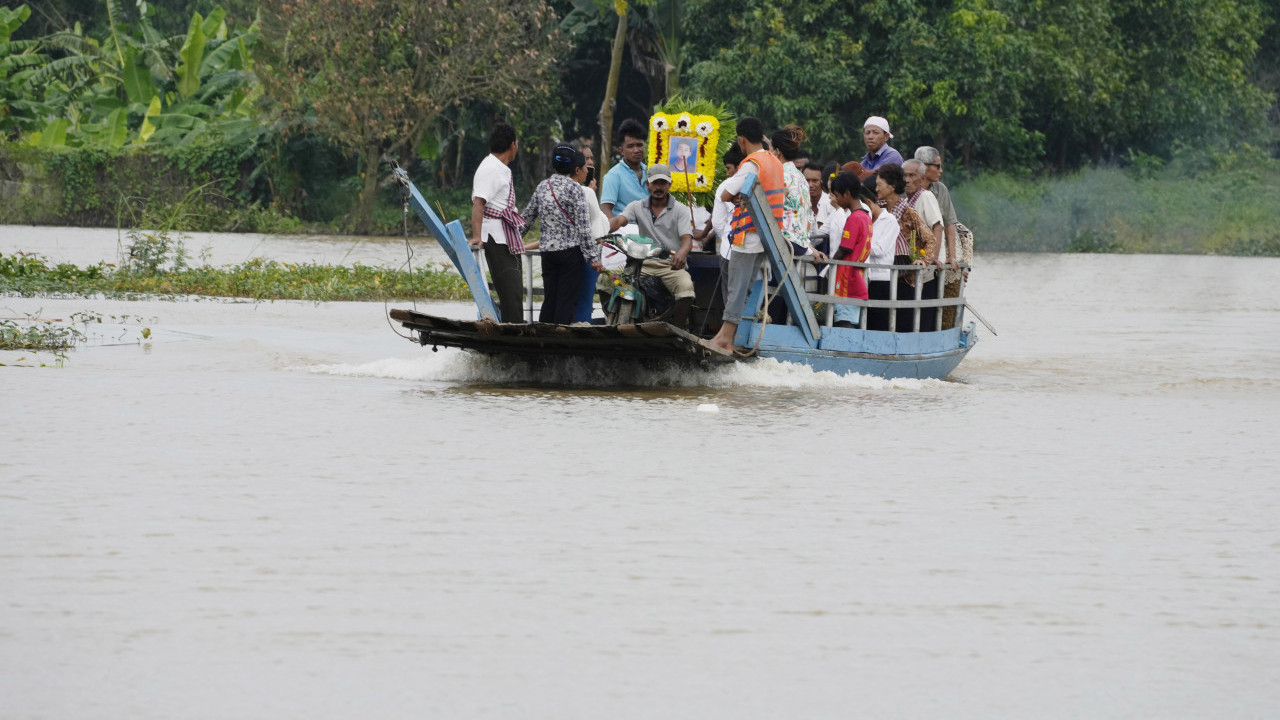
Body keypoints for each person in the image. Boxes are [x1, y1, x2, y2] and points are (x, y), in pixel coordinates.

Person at [708, 117, 786, 353]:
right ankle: (726, 335)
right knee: (745, 288)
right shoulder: (775, 161)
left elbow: (726, 193)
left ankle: (725, 339)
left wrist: (733, 196)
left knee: (737, 288)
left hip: (748, 234)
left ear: (742, 140)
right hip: (767, 236)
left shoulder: (752, 163)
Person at [519, 146, 605, 324]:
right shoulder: (577, 190)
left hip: (547, 255)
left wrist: (513, 241)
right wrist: (594, 258)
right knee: (566, 302)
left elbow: (526, 219)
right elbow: (584, 229)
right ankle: (559, 344)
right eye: (584, 168)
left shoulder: (543, 187)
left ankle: (543, 340)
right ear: (576, 170)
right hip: (570, 255)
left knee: (550, 300)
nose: (585, 172)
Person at [605, 164, 697, 329]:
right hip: (640, 264)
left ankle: (675, 330)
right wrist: (604, 227)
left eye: (663, 183)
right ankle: (612, 319)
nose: (658, 187)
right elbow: (619, 220)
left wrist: (681, 254)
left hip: (669, 265)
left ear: (669, 185)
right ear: (647, 184)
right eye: (655, 183)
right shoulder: (636, 206)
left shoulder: (680, 210)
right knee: (604, 280)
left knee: (686, 288)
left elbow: (687, 240)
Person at [470, 122, 527, 323]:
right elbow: (479, 203)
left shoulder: (500, 168)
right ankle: (513, 335)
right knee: (510, 292)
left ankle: (514, 328)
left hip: (505, 236)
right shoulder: (491, 168)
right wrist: (477, 236)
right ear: (513, 145)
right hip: (495, 237)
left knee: (514, 291)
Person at [873, 163, 937, 331]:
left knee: (903, 324)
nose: (876, 189)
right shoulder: (877, 210)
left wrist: (923, 261)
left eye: (879, 185)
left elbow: (930, 240)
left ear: (892, 186)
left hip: (905, 278)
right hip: (883, 276)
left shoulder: (909, 213)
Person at [914, 146, 964, 328]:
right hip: (914, 254)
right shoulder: (907, 188)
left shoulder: (940, 190)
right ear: (925, 167)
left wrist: (951, 255)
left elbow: (949, 224)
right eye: (938, 166)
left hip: (934, 256)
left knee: (932, 299)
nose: (941, 170)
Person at [827, 172, 874, 328]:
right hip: (857, 275)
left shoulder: (854, 218)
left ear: (847, 193)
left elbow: (844, 248)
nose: (837, 200)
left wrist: (830, 262)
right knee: (850, 319)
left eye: (837, 196)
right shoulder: (866, 216)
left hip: (847, 277)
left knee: (843, 319)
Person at [860, 173, 900, 331]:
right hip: (865, 278)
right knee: (865, 322)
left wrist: (859, 243)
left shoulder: (889, 221)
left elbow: (880, 249)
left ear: (868, 203)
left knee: (878, 323)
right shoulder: (867, 220)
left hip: (881, 280)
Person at [600, 119, 648, 217]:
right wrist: (616, 229)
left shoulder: (651, 172)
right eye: (630, 146)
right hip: (624, 229)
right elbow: (606, 209)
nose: (636, 150)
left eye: (639, 145)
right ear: (621, 150)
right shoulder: (613, 175)